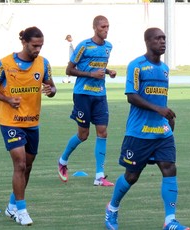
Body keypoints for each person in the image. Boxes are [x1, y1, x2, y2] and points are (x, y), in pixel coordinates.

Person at [104, 27, 190, 230]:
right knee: (132, 176)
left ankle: (170, 221)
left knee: (170, 168)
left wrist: (167, 117)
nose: (162, 42)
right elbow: (131, 96)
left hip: (162, 132)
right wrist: (159, 109)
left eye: (164, 38)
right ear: (147, 41)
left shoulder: (165, 69)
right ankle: (112, 209)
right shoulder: (137, 66)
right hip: (138, 132)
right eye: (158, 38)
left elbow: (160, 99)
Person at [0, 26, 56, 226]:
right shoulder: (5, 63)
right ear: (24, 43)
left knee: (28, 166)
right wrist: (7, 99)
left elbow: (51, 86)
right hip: (10, 121)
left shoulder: (43, 64)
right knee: (20, 164)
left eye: (41, 46)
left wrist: (51, 90)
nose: (38, 50)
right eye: (35, 45)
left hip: (32, 122)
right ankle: (22, 211)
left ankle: (11, 205)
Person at [57, 15, 116, 186]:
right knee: (83, 135)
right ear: (95, 28)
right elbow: (70, 69)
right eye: (103, 27)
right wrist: (91, 74)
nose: (106, 30)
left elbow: (99, 68)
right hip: (82, 94)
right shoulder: (84, 46)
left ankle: (99, 176)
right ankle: (63, 160)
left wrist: (108, 71)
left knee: (103, 132)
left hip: (100, 95)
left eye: (108, 27)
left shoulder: (108, 47)